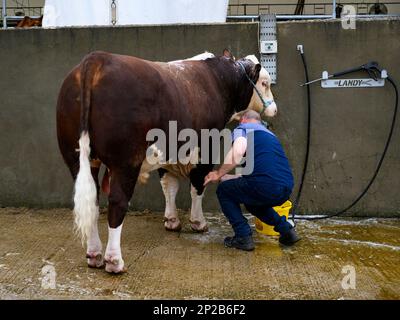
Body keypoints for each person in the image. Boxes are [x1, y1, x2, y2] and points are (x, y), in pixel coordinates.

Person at [204, 110, 300, 251]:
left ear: (243, 119)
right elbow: (259, 173)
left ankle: (243, 236)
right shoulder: (269, 135)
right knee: (253, 203)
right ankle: (287, 231)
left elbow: (237, 152)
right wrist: (227, 177)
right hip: (285, 187)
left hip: (264, 185)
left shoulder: (243, 129)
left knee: (224, 191)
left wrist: (218, 174)